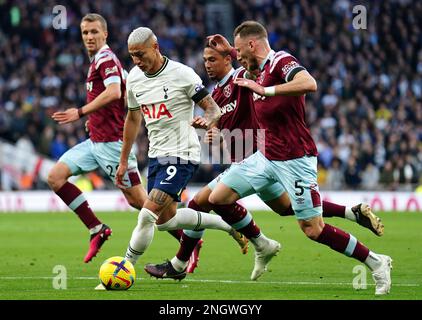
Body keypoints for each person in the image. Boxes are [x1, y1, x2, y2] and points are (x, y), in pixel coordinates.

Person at [145, 41, 385, 281]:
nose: (206, 65)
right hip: (257, 161)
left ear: (230, 59)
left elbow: (256, 62)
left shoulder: (243, 76)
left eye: (212, 59)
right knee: (285, 208)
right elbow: (222, 129)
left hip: (266, 156)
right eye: (205, 60)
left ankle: (186, 262)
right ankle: (350, 214)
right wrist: (214, 132)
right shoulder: (216, 94)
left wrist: (232, 50)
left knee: (203, 203)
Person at [206, 21, 392, 295]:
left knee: (312, 229)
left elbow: (309, 83)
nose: (238, 57)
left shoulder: (281, 61)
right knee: (217, 198)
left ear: (252, 45)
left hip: (295, 158)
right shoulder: (251, 71)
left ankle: (376, 262)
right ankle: (262, 244)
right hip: (263, 156)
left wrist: (266, 91)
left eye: (239, 51)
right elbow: (230, 79)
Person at [115, 27, 248, 274]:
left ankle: (123, 269)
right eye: (132, 55)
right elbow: (133, 119)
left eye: (141, 54)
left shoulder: (182, 74)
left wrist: (207, 120)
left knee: (146, 215)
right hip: (157, 155)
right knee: (167, 222)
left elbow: (213, 109)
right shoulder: (133, 78)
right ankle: (230, 226)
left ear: (155, 47)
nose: (136, 61)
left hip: (182, 153)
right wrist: (124, 160)